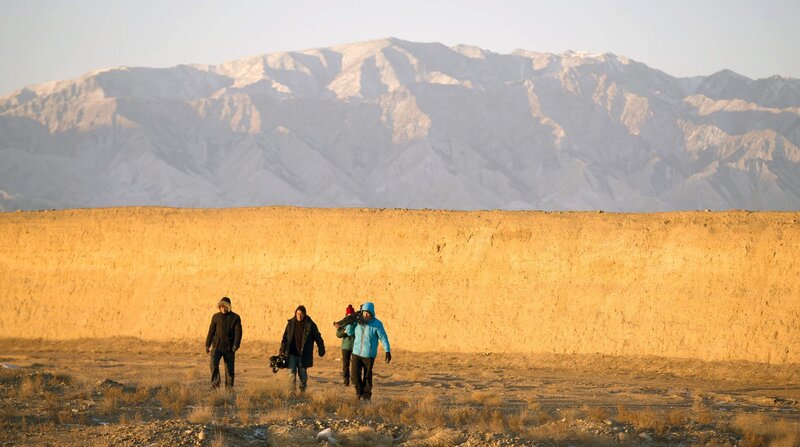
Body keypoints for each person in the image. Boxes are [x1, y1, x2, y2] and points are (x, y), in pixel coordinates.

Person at [346, 301, 391, 400]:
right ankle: (359, 393)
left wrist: (387, 350)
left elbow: (383, 337)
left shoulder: (377, 324)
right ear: (361, 312)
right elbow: (349, 332)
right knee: (354, 375)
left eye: (368, 313)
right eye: (364, 312)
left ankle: (366, 397)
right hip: (356, 353)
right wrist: (351, 323)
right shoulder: (358, 322)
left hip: (369, 355)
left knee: (367, 376)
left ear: (371, 313)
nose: (366, 315)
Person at [280, 305, 325, 393]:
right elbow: (285, 338)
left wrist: (321, 348)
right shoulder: (291, 323)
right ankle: (291, 393)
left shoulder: (310, 325)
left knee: (303, 375)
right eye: (297, 314)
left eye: (301, 314)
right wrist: (282, 350)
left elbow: (318, 337)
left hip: (303, 355)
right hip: (292, 353)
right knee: (291, 374)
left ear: (304, 314)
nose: (299, 316)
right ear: (295, 314)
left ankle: (302, 391)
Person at [204, 296, 242, 389]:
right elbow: (211, 331)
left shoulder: (235, 317)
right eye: (221, 307)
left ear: (229, 307)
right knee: (213, 364)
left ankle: (229, 389)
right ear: (219, 307)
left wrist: (236, 345)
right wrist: (207, 344)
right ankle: (215, 386)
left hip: (229, 347)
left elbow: (238, 332)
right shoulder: (215, 317)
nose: (223, 309)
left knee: (229, 370)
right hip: (216, 346)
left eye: (225, 307)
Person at [335, 304, 356, 386]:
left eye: (351, 315)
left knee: (355, 365)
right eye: (348, 315)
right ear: (346, 315)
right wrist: (344, 332)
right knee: (345, 365)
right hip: (345, 347)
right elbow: (338, 334)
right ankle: (346, 382)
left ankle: (354, 381)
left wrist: (352, 331)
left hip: (355, 347)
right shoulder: (344, 323)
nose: (349, 316)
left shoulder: (356, 324)